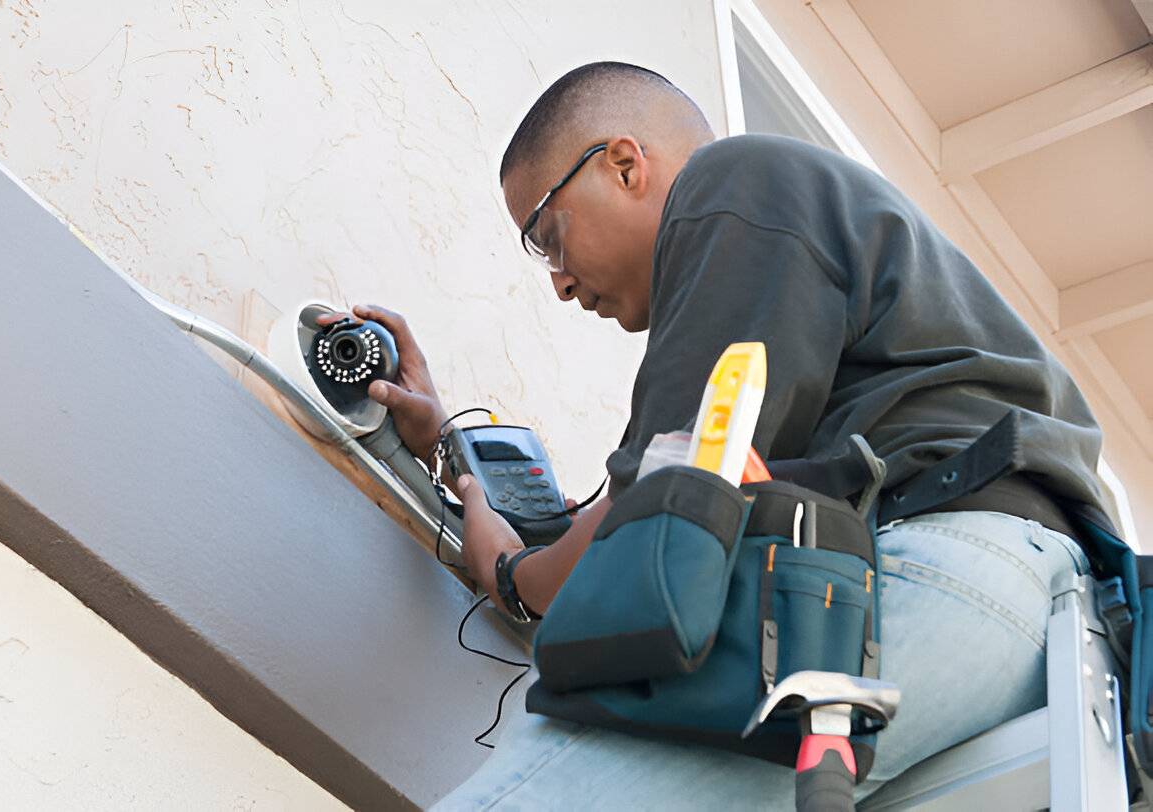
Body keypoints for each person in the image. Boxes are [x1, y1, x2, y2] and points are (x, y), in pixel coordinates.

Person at [323, 62, 1111, 808]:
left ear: (625, 164)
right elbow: (654, 513)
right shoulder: (812, 253)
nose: (558, 281)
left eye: (547, 235)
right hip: (1044, 635)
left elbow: (653, 518)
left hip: (939, 558)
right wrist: (441, 452)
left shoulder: (732, 186)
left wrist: (508, 570)